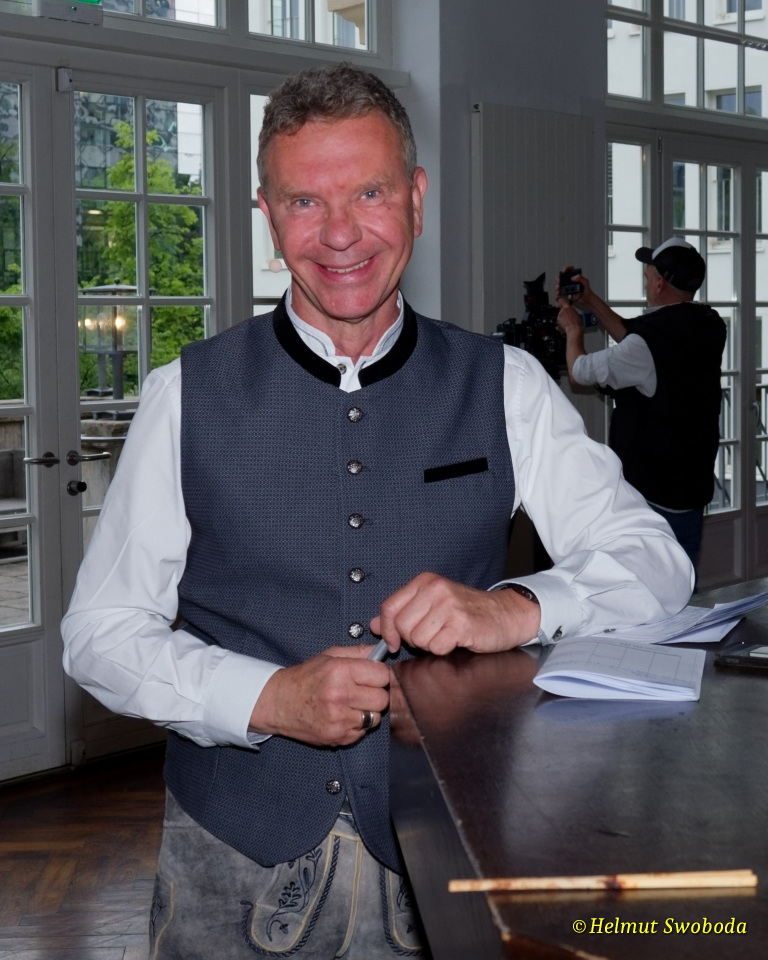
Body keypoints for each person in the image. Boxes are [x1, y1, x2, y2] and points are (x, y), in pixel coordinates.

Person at [61, 64, 693, 960]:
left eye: (369, 192)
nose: (340, 233)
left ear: (417, 198)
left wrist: (517, 606)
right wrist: (265, 697)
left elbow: (656, 562)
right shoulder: (184, 395)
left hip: (451, 840)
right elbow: (100, 633)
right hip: (230, 858)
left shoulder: (505, 385)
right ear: (268, 216)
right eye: (305, 202)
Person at [556, 239, 726, 569]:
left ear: (659, 283)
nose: (646, 282)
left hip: (652, 496)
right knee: (682, 581)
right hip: (691, 487)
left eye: (648, 276)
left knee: (648, 587)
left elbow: (579, 371)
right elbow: (640, 338)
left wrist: (573, 330)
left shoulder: (646, 344)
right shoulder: (709, 323)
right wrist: (590, 300)